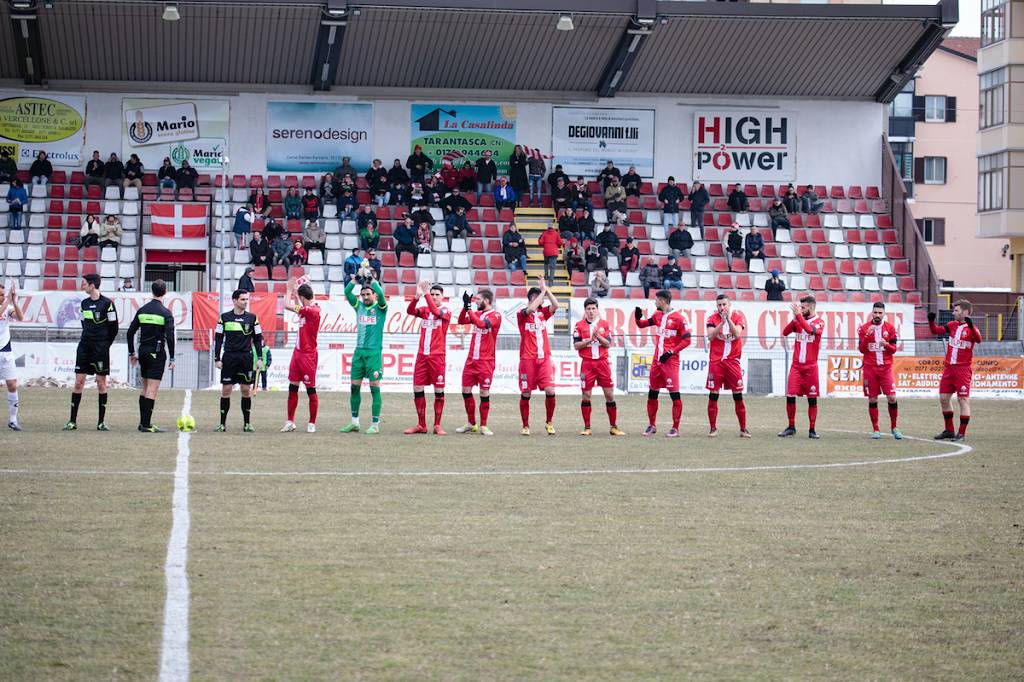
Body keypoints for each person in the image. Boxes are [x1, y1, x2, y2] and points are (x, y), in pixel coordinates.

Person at [64, 274, 118, 431]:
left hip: (100, 348)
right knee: (78, 383)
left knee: (101, 384)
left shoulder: (108, 303)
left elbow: (114, 327)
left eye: (85, 284)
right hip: (84, 347)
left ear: (92, 285)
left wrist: (105, 344)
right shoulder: (84, 303)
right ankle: (72, 421)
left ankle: (101, 422)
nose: (83, 286)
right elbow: (84, 323)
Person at [635, 289, 692, 437]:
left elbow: (687, 340)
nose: (655, 302)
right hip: (656, 361)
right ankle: (651, 425)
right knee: (652, 393)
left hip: (670, 362)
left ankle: (675, 428)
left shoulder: (679, 318)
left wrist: (671, 352)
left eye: (656, 300)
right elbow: (642, 324)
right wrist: (637, 318)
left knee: (675, 395)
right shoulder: (657, 315)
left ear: (663, 301)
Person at [928, 300, 982, 441]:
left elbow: (979, 339)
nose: (953, 313)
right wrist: (931, 322)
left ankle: (962, 433)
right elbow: (936, 331)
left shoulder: (972, 328)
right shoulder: (952, 325)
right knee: (944, 398)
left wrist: (971, 326)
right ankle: (949, 430)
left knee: (962, 399)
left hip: (962, 369)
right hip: (949, 369)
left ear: (965, 312)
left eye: (956, 310)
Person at [126, 279, 175, 432]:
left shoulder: (142, 310)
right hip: (156, 353)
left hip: (143, 352)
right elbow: (170, 336)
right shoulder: (166, 313)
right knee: (152, 390)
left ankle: (142, 423)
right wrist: (172, 358)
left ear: (152, 291)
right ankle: (146, 425)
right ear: (165, 292)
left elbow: (130, 332)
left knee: (145, 388)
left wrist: (132, 353)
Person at [403, 281, 452, 435]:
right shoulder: (424, 310)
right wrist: (417, 297)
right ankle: (421, 425)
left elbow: (436, 313)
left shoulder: (446, 311)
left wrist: (425, 293)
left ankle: (437, 425)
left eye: (437, 295)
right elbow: (410, 311)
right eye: (432, 294)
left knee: (439, 389)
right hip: (422, 356)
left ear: (443, 297)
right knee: (417, 388)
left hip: (437, 357)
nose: (435, 297)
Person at [340, 277, 387, 433]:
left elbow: (380, 293)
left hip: (374, 354)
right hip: (358, 353)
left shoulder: (381, 308)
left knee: (375, 388)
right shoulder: (358, 306)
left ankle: (375, 425)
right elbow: (347, 291)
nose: (366, 297)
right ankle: (355, 422)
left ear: (373, 295)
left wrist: (372, 279)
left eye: (368, 294)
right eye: (363, 295)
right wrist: (354, 280)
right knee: (354, 388)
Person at [213, 289, 263, 432]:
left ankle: (247, 424)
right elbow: (218, 338)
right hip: (229, 357)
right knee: (226, 389)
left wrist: (259, 358)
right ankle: (222, 424)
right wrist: (217, 358)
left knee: (245, 390)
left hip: (246, 358)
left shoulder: (253, 318)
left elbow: (258, 338)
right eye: (243, 299)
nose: (246, 302)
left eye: (247, 299)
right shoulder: (224, 317)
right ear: (234, 301)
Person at [574, 298, 625, 436]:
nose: (591, 311)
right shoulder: (579, 325)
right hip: (587, 364)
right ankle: (587, 428)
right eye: (588, 309)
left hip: (602, 363)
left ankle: (613, 427)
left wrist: (597, 336)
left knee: (609, 395)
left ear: (597, 310)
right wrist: (590, 339)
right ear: (585, 311)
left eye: (593, 308)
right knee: (586, 395)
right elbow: (576, 345)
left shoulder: (604, 324)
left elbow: (608, 343)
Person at [456, 288, 502, 435]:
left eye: (478, 299)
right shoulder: (476, 313)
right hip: (471, 360)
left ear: (487, 301)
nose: (476, 302)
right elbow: (461, 321)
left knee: (484, 391)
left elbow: (482, 325)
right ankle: (471, 423)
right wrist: (466, 306)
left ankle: (484, 425)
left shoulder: (496, 315)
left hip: (486, 361)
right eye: (475, 300)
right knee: (466, 390)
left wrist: (469, 309)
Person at [778, 296, 825, 439]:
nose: (800, 309)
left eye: (803, 307)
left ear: (811, 308)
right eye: (800, 307)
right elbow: (785, 332)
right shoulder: (798, 320)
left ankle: (812, 429)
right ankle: (791, 427)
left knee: (812, 398)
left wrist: (798, 316)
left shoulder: (819, 322)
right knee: (790, 395)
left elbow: (810, 330)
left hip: (811, 368)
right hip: (796, 367)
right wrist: (794, 319)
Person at [517, 279, 560, 435]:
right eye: (534, 298)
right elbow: (530, 310)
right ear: (529, 300)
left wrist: (546, 290)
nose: (538, 300)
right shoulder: (522, 314)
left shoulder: (543, 314)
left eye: (539, 298)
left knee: (550, 390)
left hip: (544, 359)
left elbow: (556, 305)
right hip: (527, 360)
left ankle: (549, 422)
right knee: (526, 393)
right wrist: (541, 293)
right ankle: (526, 425)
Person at [705, 294, 750, 438]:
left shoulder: (737, 317)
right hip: (716, 362)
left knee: (738, 396)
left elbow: (737, 333)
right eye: (719, 305)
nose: (722, 307)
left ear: (729, 305)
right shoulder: (712, 318)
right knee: (713, 396)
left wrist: (728, 320)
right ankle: (713, 428)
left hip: (732, 362)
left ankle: (743, 429)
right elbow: (711, 336)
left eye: (724, 304)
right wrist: (721, 323)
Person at [279, 282, 321, 433]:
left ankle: (312, 423)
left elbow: (287, 305)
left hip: (308, 355)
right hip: (297, 353)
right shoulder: (306, 309)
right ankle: (290, 421)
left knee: (311, 390)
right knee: (293, 387)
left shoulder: (313, 310)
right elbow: (298, 308)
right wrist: (297, 294)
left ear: (304, 298)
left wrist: (289, 289)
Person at [858, 301, 902, 440]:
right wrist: (866, 336)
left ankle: (894, 427)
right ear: (872, 312)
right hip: (870, 369)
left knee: (892, 397)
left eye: (880, 313)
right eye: (875, 312)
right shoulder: (864, 328)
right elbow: (861, 349)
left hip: (886, 368)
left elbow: (894, 349)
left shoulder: (890, 328)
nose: (877, 315)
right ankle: (876, 429)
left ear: (884, 314)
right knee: (872, 398)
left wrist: (886, 345)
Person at [0, 281, 25, 431]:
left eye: (3, 294)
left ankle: (13, 419)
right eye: (0, 295)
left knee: (12, 385)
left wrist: (14, 301)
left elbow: (20, 317)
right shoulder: (4, 306)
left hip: (6, 352)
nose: (3, 297)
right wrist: (8, 299)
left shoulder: (7, 307)